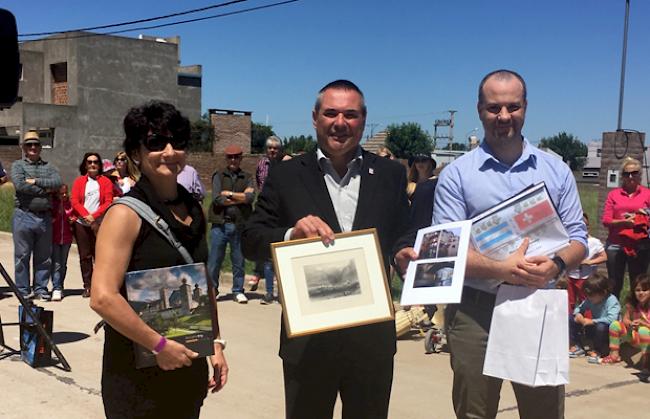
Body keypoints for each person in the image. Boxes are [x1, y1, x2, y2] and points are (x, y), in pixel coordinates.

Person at [396, 70, 587, 419]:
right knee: (475, 411)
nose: (503, 117)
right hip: (476, 309)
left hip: (537, 303)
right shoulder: (457, 175)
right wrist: (503, 269)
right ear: (480, 110)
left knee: (543, 411)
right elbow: (447, 251)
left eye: (513, 107)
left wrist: (558, 265)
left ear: (525, 107)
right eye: (494, 108)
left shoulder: (555, 169)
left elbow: (579, 239)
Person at [242, 80, 410, 419]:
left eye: (350, 114)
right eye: (331, 113)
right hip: (308, 340)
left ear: (363, 120)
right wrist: (291, 233)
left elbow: (402, 233)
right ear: (315, 118)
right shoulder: (286, 175)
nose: (340, 122)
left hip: (371, 340)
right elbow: (251, 238)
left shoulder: (390, 174)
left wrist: (404, 252)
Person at [89, 101, 227, 418]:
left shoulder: (194, 208)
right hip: (137, 375)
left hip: (187, 365)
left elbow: (203, 283)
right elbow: (102, 297)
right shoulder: (124, 214)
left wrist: (216, 343)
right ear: (135, 152)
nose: (169, 151)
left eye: (177, 142)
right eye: (156, 142)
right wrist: (159, 346)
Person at [11, 130, 62, 299]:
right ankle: (23, 291)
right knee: (22, 256)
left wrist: (36, 181)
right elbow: (20, 185)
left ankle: (40, 289)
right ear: (24, 148)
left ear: (40, 147)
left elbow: (57, 182)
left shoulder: (50, 167)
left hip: (44, 217)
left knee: (44, 257)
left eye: (36, 144)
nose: (33, 147)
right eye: (29, 144)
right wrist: (45, 190)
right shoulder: (18, 165)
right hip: (23, 215)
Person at [207, 144, 255, 304]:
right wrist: (240, 198)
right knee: (215, 260)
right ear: (226, 158)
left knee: (238, 259)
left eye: (236, 157)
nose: (233, 160)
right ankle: (212, 289)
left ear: (241, 158)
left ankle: (238, 290)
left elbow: (250, 199)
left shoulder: (247, 177)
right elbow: (217, 199)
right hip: (220, 224)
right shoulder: (218, 176)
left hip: (239, 224)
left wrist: (230, 194)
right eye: (230, 157)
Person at [602, 157, 650, 299]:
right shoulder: (614, 194)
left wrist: (644, 215)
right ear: (622, 176)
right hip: (616, 244)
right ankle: (613, 314)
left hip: (639, 245)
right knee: (614, 283)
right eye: (626, 173)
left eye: (634, 173)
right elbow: (606, 220)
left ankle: (637, 315)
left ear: (640, 175)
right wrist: (623, 222)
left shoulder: (647, 194)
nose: (630, 176)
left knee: (638, 282)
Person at [249, 135, 290, 304]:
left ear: (281, 150)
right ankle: (269, 293)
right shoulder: (262, 163)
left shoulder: (287, 163)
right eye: (270, 148)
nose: (273, 150)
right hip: (267, 210)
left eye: (276, 148)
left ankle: (283, 293)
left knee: (283, 253)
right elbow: (260, 183)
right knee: (268, 254)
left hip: (284, 211)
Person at [71, 152, 115, 298]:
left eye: (95, 162)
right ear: (85, 164)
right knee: (85, 256)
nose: (92, 165)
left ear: (99, 165)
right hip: (81, 223)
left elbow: (108, 201)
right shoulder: (79, 181)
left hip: (99, 223)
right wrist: (86, 216)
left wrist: (94, 217)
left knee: (100, 256)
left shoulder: (105, 182)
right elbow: (75, 201)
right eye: (89, 162)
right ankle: (88, 285)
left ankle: (100, 285)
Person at [603, 274, 650, 374]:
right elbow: (625, 320)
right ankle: (614, 355)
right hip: (635, 336)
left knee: (643, 330)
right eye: (638, 290)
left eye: (645, 290)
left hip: (647, 339)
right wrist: (631, 323)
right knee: (615, 325)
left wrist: (643, 323)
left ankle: (647, 363)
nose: (641, 293)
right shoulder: (632, 305)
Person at [569, 273, 620, 361]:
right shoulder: (590, 300)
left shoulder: (611, 300)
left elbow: (612, 319)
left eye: (592, 295)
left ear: (603, 292)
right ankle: (577, 345)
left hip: (609, 331)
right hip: (594, 326)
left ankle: (599, 350)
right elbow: (579, 308)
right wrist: (578, 314)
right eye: (588, 295)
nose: (589, 298)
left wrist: (592, 321)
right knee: (571, 318)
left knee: (601, 326)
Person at [566, 212, 607, 312]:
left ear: (588, 226)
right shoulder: (569, 240)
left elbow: (604, 257)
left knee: (585, 301)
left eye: (585, 225)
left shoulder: (594, 242)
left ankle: (587, 322)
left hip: (585, 277)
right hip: (571, 275)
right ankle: (569, 322)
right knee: (569, 301)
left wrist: (589, 262)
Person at [50, 184, 74, 301]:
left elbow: (74, 215)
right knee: (56, 264)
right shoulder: (53, 205)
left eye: (65, 193)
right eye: (61, 193)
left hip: (67, 238)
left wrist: (72, 219)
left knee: (63, 264)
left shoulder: (70, 204)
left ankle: (61, 285)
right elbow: (51, 219)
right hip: (55, 238)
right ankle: (56, 287)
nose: (64, 195)